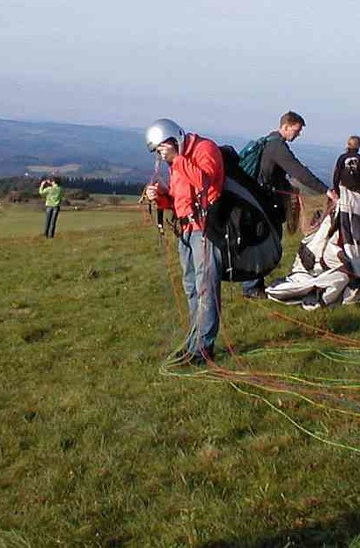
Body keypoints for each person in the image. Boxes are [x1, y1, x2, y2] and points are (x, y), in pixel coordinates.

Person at [144, 118, 225, 365]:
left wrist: (178, 160)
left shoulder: (204, 149)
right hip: (186, 230)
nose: (162, 157)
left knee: (205, 289)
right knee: (191, 288)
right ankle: (194, 345)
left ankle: (203, 349)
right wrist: (160, 196)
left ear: (172, 140)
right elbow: (179, 199)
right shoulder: (175, 161)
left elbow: (204, 181)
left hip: (205, 230)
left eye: (162, 150)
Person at [241, 111, 337, 299]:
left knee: (263, 241)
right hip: (262, 203)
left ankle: (254, 285)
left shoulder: (269, 141)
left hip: (258, 201)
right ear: (285, 126)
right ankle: (251, 287)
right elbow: (299, 171)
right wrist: (325, 190)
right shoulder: (277, 146)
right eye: (296, 130)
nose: (298, 134)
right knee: (262, 242)